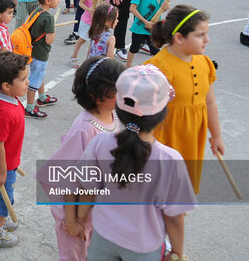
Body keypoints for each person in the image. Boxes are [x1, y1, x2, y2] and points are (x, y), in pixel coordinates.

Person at [75, 65, 195, 261]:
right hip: (144, 247)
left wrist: (80, 218)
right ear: (162, 113)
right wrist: (178, 252)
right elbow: (174, 217)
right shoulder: (170, 160)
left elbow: (87, 188)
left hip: (103, 236)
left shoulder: (100, 142)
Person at [36, 56, 124, 260]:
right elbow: (68, 179)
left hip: (95, 206)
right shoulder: (84, 129)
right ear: (97, 96)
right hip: (74, 209)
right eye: (118, 91)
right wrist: (72, 220)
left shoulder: (113, 115)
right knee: (75, 254)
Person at [146, 5, 223, 193]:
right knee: (162, 194)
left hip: (192, 139)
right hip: (164, 141)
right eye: (200, 35)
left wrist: (217, 135)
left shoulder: (204, 62)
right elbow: (142, 113)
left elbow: (209, 101)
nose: (207, 40)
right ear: (179, 37)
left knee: (182, 193)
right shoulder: (157, 68)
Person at [0, 51, 29, 249]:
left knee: (0, 197)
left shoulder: (3, 97)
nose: (28, 82)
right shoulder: (6, 112)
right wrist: (2, 172)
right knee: (3, 201)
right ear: (6, 86)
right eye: (23, 79)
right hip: (0, 164)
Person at [70, 0, 132, 67]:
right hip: (87, 20)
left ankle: (88, 61)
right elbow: (80, 3)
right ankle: (74, 56)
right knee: (82, 40)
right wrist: (89, 9)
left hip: (100, 21)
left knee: (93, 42)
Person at [24, 0, 61, 118]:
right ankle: (29, 107)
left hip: (31, 48)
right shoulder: (49, 18)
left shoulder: (36, 10)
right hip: (41, 52)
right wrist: (53, 31)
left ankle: (42, 97)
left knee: (40, 74)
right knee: (35, 78)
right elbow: (49, 40)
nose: (58, 1)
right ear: (48, 1)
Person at [125, 0, 169, 67]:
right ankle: (127, 67)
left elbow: (163, 8)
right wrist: (145, 21)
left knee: (155, 50)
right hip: (140, 26)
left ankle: (155, 70)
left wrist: (166, 7)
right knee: (134, 48)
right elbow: (132, 8)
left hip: (154, 28)